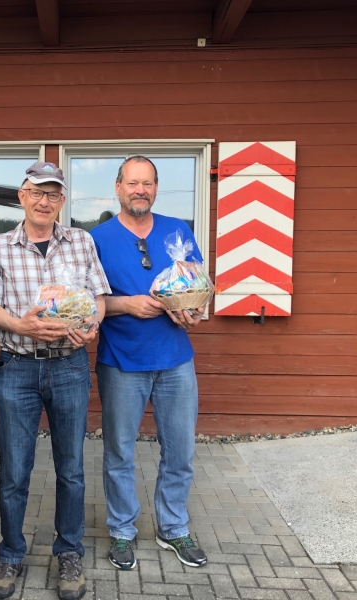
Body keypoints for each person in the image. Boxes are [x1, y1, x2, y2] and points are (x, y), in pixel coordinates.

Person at [0, 162, 111, 600]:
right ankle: (11, 553)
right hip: (17, 367)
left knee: (71, 469)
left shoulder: (81, 241)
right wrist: (21, 325)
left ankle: (69, 552)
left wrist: (91, 324)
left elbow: (98, 297)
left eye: (53, 194)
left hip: (69, 366)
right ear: (22, 196)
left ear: (62, 201)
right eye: (37, 192)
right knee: (14, 471)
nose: (44, 201)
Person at [90, 156, 208, 572]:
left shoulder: (179, 230)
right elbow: (87, 303)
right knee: (119, 452)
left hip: (175, 360)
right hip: (121, 361)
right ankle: (122, 530)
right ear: (118, 187)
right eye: (132, 183)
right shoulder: (96, 239)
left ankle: (173, 527)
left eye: (148, 183)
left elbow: (194, 284)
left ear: (156, 188)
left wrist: (193, 309)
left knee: (181, 451)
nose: (140, 190)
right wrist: (126, 304)